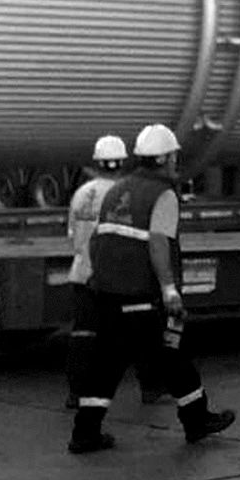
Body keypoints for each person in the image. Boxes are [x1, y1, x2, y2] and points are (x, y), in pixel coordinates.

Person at [68, 123, 236, 454]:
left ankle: (84, 433)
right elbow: (158, 242)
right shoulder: (163, 194)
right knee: (171, 357)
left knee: (105, 363)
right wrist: (170, 290)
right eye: (173, 156)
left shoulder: (119, 191)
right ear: (164, 159)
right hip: (140, 295)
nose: (176, 161)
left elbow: (99, 240)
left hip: (107, 292)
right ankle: (197, 420)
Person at [63, 134, 167, 410]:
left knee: (83, 335)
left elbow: (72, 235)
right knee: (140, 334)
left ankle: (76, 393)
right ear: (122, 162)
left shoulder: (82, 194)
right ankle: (151, 389)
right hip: (114, 278)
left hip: (82, 273)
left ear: (96, 162)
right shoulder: (123, 193)